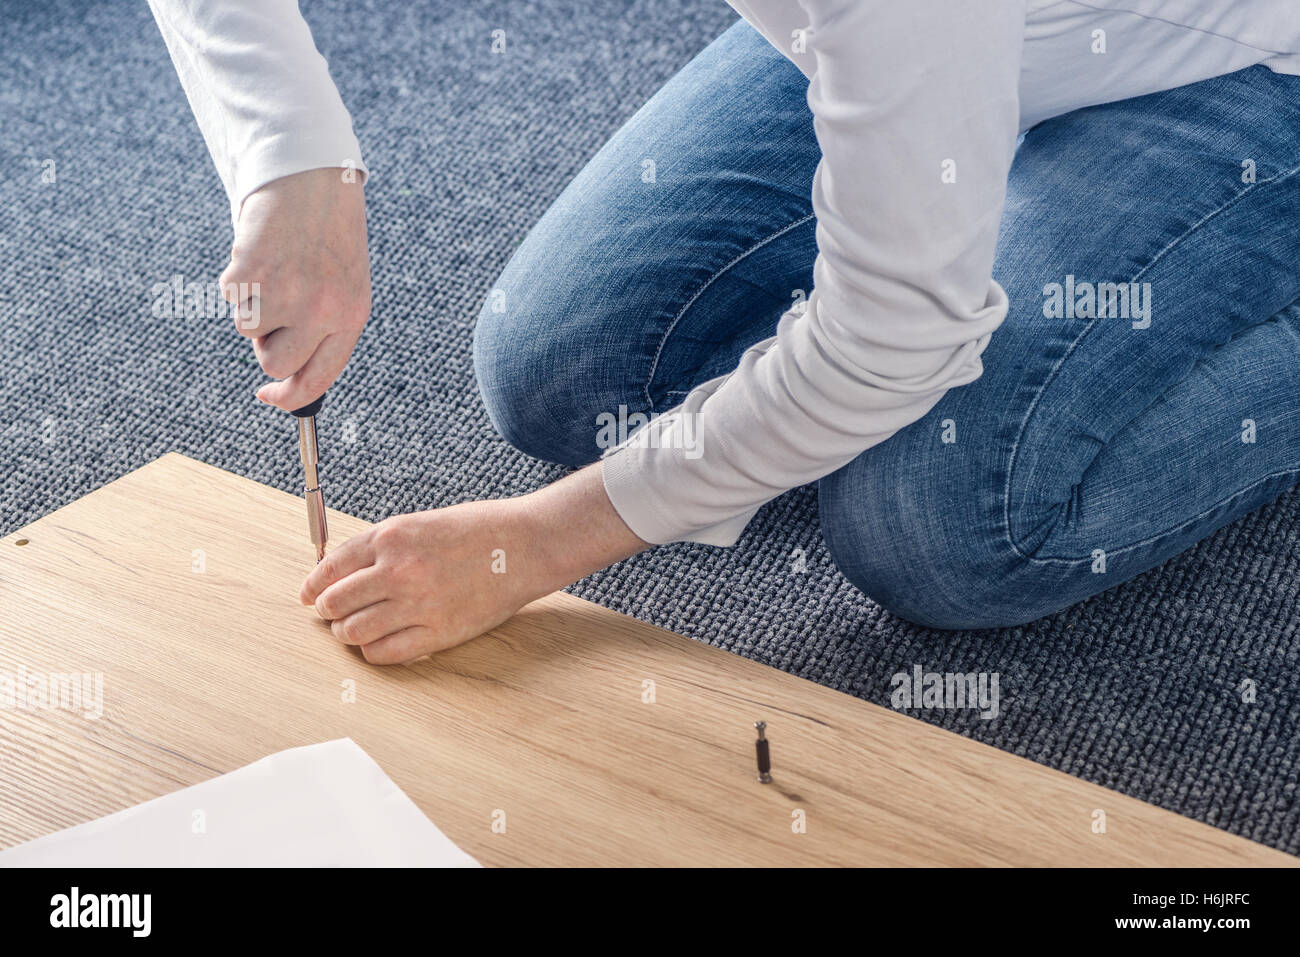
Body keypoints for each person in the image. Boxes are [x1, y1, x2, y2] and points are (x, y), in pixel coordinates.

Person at [149, 1, 1300, 664]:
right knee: (557, 371)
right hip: (934, 27)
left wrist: (536, 545)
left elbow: (894, 337)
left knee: (938, 525)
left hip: (1238, 57)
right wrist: (290, 156)